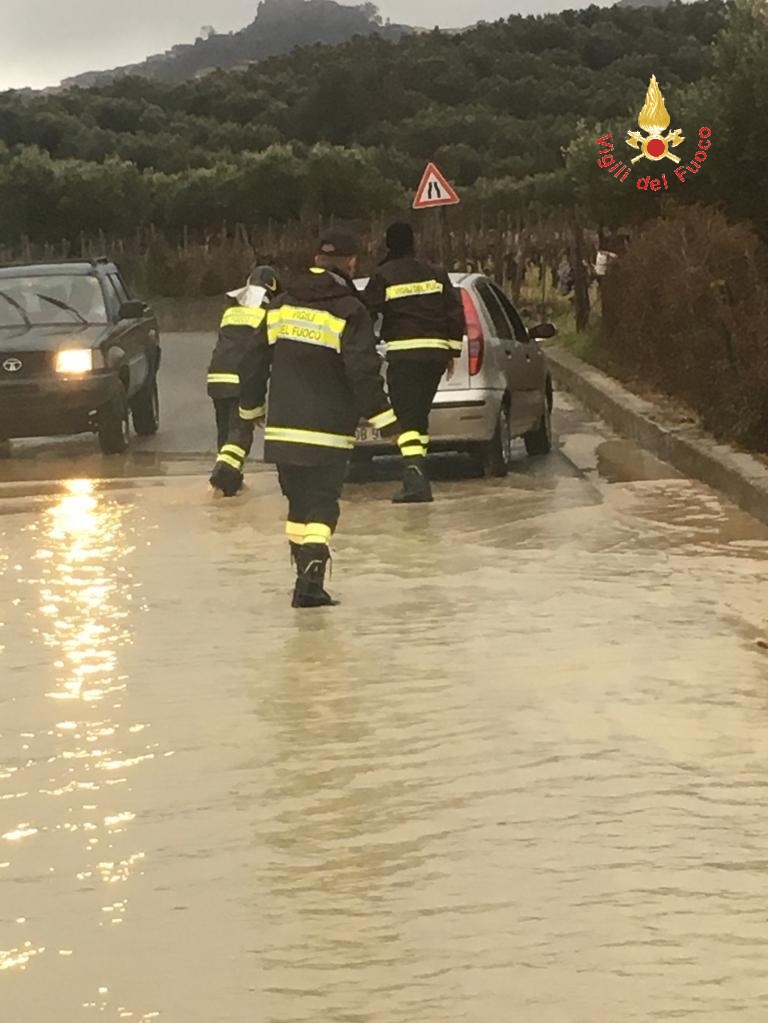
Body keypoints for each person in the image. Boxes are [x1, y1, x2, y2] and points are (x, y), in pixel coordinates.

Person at [212, 228, 399, 608]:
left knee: (298, 507)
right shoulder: (350, 310)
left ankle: (304, 580)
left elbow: (252, 360)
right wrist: (386, 419)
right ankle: (312, 576)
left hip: (282, 430)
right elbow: (362, 371)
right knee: (323, 505)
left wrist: (251, 410)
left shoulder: (280, 304)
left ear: (315, 260)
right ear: (351, 263)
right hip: (329, 431)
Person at [362, 222, 465, 504]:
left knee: (406, 419)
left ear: (388, 244)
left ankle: (416, 480)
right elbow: (455, 313)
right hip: (434, 356)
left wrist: (362, 349)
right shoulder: (435, 272)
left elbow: (365, 314)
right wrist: (453, 353)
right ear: (413, 242)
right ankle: (416, 475)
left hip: (404, 356)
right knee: (417, 416)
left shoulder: (383, 275)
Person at [208, 265, 283, 497]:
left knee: (226, 434)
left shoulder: (233, 307)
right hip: (242, 379)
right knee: (241, 432)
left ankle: (230, 485)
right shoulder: (268, 311)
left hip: (216, 378)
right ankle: (223, 473)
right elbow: (268, 350)